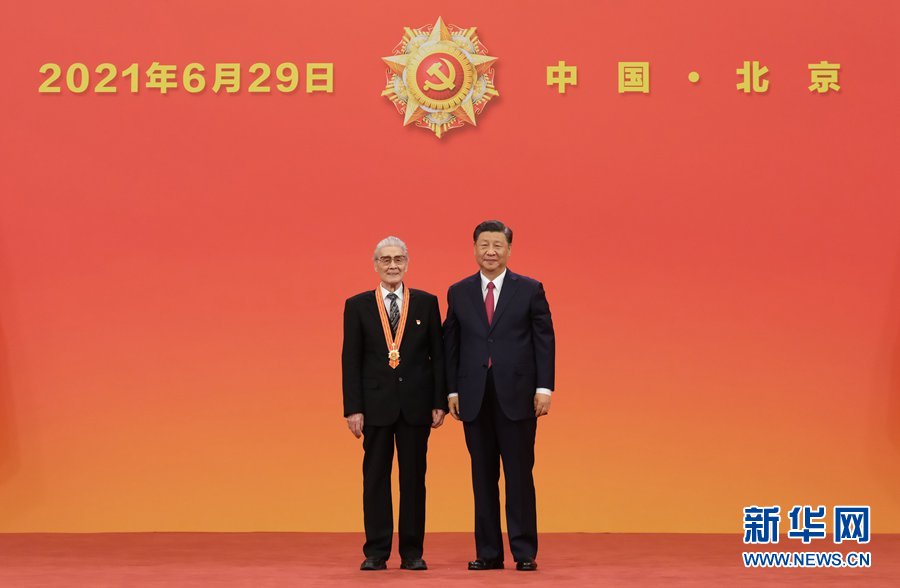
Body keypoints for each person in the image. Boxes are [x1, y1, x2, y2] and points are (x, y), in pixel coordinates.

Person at [444, 220, 556, 572]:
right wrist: (452, 389)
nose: (490, 251)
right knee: (482, 476)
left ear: (509, 250)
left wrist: (544, 388)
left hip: (519, 395)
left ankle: (524, 552)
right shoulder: (459, 292)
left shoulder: (530, 289)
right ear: (474, 248)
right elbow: (451, 345)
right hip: (474, 396)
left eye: (497, 245)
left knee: (519, 475)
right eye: (484, 245)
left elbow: (544, 340)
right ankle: (488, 552)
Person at [342, 236, 447, 571]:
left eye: (398, 259)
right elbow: (350, 360)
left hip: (417, 405)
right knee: (375, 479)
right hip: (374, 406)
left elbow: (438, 356)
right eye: (385, 260)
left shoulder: (426, 303)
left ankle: (412, 552)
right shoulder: (357, 305)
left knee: (414, 480)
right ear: (375, 265)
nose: (392, 265)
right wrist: (353, 408)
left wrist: (439, 401)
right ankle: (376, 551)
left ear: (407, 263)